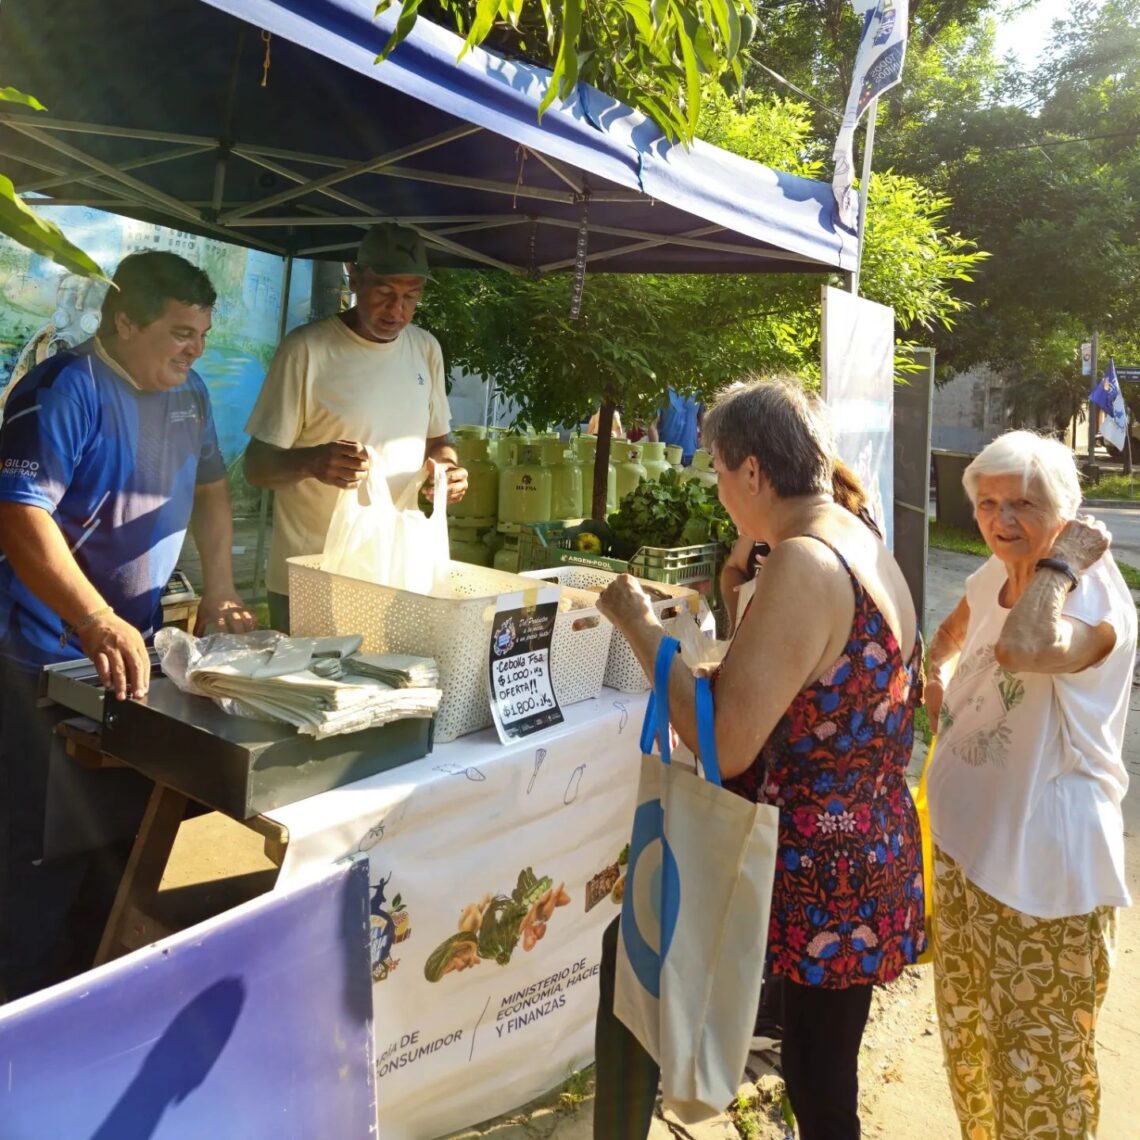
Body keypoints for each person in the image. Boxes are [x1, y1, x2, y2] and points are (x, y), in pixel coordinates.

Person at [593, 377, 924, 1139]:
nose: (718, 491)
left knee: (639, 962)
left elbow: (725, 742)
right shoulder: (857, 539)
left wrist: (641, 628)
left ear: (751, 470)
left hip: (809, 863)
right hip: (860, 846)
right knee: (820, 1077)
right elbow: (823, 687)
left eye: (716, 470)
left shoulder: (804, 560)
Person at [0, 250, 254, 1000]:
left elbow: (211, 489)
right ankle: (21, 1014)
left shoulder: (190, 395)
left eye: (202, 334)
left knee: (115, 842)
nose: (194, 350)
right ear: (124, 322)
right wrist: (92, 616)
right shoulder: (65, 388)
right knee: (35, 856)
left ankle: (88, 993)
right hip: (37, 657)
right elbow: (19, 516)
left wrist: (221, 586)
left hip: (126, 655)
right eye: (180, 332)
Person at [924, 431, 1135, 1139]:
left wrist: (1062, 561)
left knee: (1040, 1073)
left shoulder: (1092, 600)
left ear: (1068, 514)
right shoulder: (996, 572)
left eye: (1023, 504)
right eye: (987, 504)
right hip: (965, 858)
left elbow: (1023, 647)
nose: (1001, 520)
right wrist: (936, 679)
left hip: (1043, 882)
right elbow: (952, 634)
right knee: (971, 1047)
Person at [243, 223, 468, 632]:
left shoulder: (425, 349)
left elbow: (438, 440)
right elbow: (256, 466)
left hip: (395, 575)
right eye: (384, 292)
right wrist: (313, 462)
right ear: (355, 276)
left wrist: (447, 470)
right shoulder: (306, 350)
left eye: (410, 296)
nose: (396, 310)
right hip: (312, 577)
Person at [649, 388, 702, 465]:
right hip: (667, 454)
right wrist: (658, 455)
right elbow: (652, 425)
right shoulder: (661, 389)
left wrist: (702, 449)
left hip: (692, 455)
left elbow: (704, 422)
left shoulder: (698, 390)